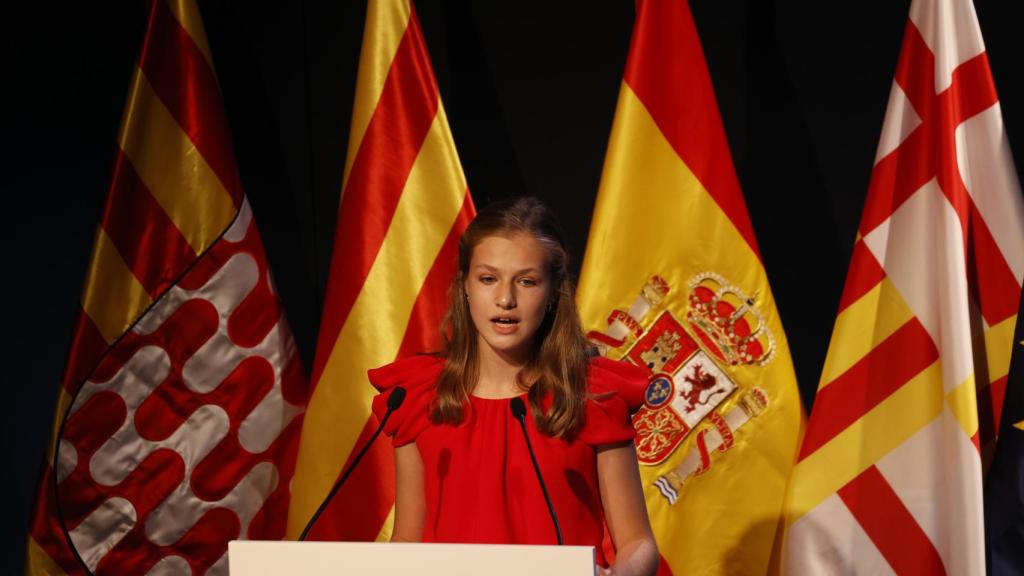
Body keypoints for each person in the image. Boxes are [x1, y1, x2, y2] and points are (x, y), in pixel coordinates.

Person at [370, 197, 659, 576]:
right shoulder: (420, 398)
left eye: (526, 281)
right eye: (488, 278)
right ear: (465, 286)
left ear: (554, 291)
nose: (505, 299)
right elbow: (407, 544)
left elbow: (638, 542)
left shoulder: (591, 395)